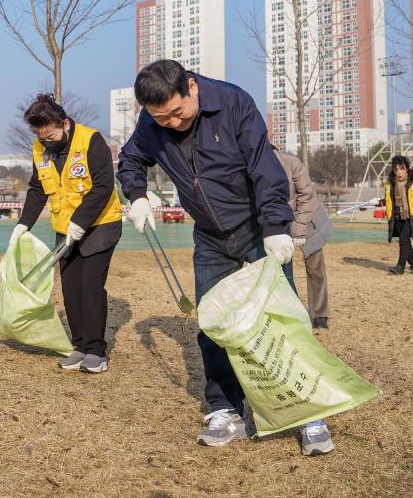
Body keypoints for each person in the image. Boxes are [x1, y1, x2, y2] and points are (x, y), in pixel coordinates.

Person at [117, 60, 334, 456]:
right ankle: (226, 408)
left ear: (192, 87)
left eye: (177, 112)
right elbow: (130, 159)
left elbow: (265, 169)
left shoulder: (233, 103)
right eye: (161, 118)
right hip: (210, 236)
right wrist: (137, 196)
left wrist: (276, 227)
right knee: (213, 323)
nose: (171, 124)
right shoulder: (152, 122)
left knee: (282, 318)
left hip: (258, 229)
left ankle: (309, 412)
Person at [10, 94, 122, 373]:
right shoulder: (39, 148)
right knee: (70, 289)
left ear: (65, 124)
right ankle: (80, 346)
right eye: (41, 137)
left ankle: (96, 351)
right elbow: (38, 188)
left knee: (90, 286)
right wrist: (24, 224)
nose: (46, 142)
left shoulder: (91, 140)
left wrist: (81, 221)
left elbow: (104, 185)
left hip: (100, 224)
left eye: (51, 135)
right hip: (65, 228)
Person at [274, 148, 332, 330]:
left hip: (308, 219)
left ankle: (320, 314)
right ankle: (288, 311)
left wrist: (298, 231)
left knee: (315, 269)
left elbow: (307, 196)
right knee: (281, 269)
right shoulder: (256, 166)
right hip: (279, 222)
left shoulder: (292, 163)